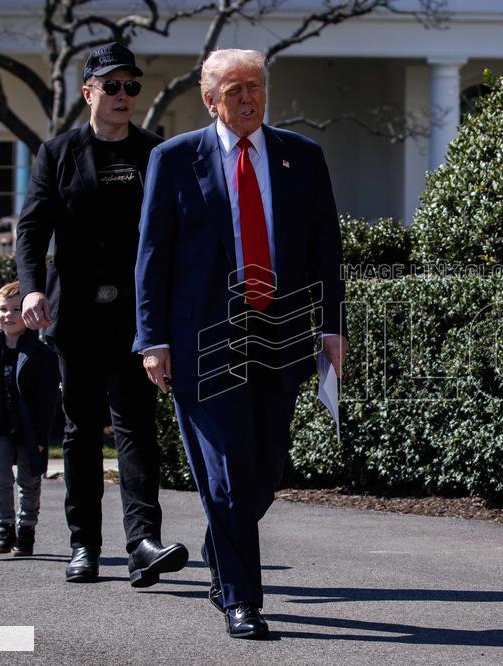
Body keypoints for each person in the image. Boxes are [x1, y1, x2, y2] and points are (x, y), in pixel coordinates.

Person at [135, 48, 348, 639]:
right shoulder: (173, 160)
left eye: (255, 87)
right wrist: (152, 339)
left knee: (266, 467)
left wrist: (332, 327)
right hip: (202, 340)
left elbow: (324, 250)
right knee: (226, 472)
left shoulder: (301, 157)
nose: (248, 99)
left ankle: (219, 548)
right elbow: (151, 257)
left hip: (279, 335)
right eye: (234, 91)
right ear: (210, 100)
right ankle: (243, 600)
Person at [16, 42, 188, 585]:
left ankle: (141, 542)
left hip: (136, 316)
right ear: (88, 92)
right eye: (111, 86)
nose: (122, 95)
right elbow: (31, 229)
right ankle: (84, 545)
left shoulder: (155, 153)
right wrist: (30, 289)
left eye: (131, 86)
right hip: (76, 317)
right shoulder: (57, 154)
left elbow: (174, 234)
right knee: (81, 431)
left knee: (137, 427)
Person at [0, 281, 60, 557]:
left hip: (29, 429)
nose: (9, 315)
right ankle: (5, 527)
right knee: (0, 478)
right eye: (3, 309)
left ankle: (26, 530)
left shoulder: (41, 353)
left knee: (29, 481)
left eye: (16, 309)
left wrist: (42, 437)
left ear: (28, 313)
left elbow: (47, 400)